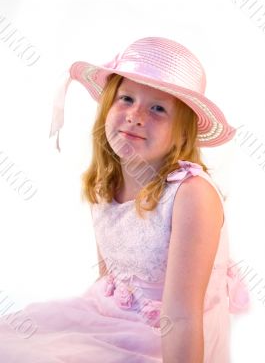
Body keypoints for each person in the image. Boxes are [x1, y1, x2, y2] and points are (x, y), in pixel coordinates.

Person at [0, 36, 251, 362]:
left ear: (184, 131)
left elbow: (183, 317)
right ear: (107, 107)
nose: (135, 115)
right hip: (114, 318)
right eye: (126, 98)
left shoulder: (191, 194)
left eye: (158, 108)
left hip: (168, 335)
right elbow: (109, 281)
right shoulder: (105, 184)